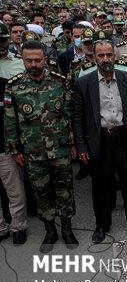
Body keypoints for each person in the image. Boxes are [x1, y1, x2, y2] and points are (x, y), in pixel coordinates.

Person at [4, 41, 79, 253]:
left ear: (45, 59)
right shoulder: (14, 86)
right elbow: (10, 120)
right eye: (29, 61)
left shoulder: (59, 82)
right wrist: (15, 150)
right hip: (32, 151)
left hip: (60, 148)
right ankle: (50, 231)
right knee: (41, 192)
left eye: (38, 60)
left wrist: (73, 143)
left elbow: (69, 114)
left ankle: (66, 230)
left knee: (65, 190)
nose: (34, 64)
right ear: (23, 60)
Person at [72, 38, 127, 243]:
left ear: (115, 55)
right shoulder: (83, 84)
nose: (105, 59)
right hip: (100, 141)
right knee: (101, 186)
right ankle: (102, 225)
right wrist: (81, 147)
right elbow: (77, 119)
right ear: (94, 57)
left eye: (109, 55)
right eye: (101, 55)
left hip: (124, 138)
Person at [0, 23, 28, 245]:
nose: (1, 44)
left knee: (15, 189)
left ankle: (18, 226)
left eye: (3, 39)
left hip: (7, 140)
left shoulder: (19, 66)